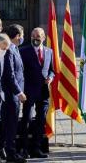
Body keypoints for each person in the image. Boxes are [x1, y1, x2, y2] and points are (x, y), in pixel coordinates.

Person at [19, 28, 53, 159]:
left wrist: (50, 77)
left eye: (38, 36)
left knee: (40, 121)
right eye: (33, 36)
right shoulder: (23, 51)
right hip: (28, 91)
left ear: (43, 37)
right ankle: (24, 148)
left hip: (43, 92)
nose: (35, 38)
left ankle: (36, 148)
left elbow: (52, 70)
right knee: (26, 119)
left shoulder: (49, 52)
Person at [0, 25, 26, 163]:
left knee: (9, 124)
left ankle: (3, 149)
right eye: (21, 35)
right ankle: (11, 153)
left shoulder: (15, 48)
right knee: (11, 125)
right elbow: (10, 75)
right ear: (17, 36)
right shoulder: (9, 49)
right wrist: (19, 92)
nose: (22, 38)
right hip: (11, 94)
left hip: (13, 94)